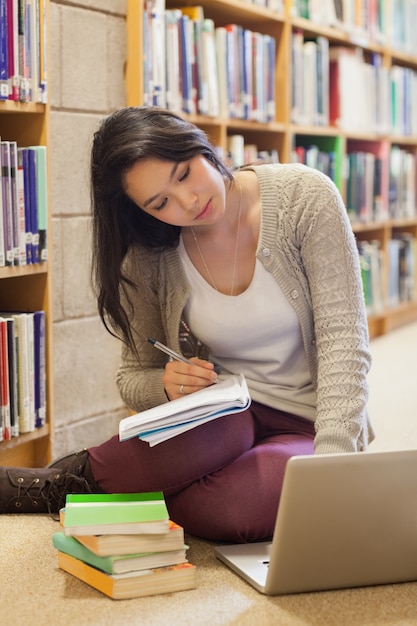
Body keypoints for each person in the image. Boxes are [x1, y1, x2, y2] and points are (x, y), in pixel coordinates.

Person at [0, 107, 374, 542]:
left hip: (309, 420)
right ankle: (67, 482)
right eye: (160, 203)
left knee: (231, 511)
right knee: (171, 451)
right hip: (224, 412)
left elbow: (345, 342)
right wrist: (165, 385)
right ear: (142, 211)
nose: (189, 202)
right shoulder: (152, 252)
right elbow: (132, 375)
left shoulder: (303, 197)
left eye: (184, 173)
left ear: (198, 145)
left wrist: (333, 468)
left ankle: (118, 491)